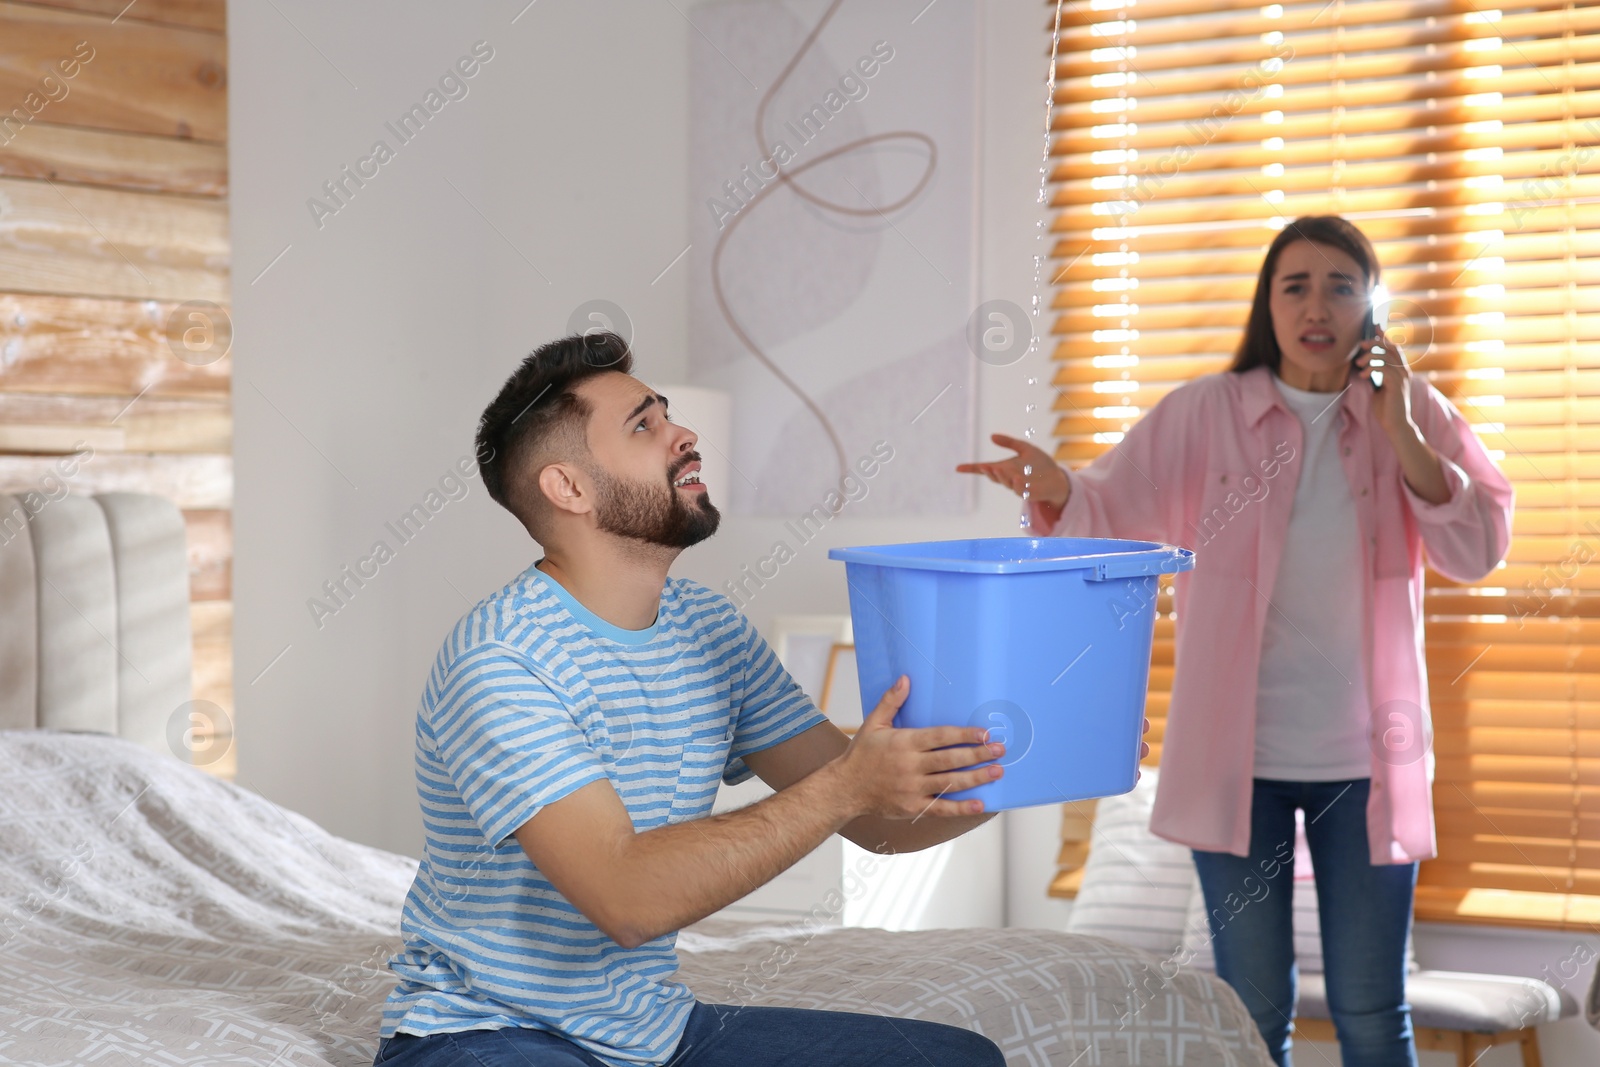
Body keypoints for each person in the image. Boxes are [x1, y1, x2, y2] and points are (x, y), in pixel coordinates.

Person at [958, 216, 1513, 1067]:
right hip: (1237, 762)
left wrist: (1399, 422)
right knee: (1252, 1011)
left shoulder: (1414, 409)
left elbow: (1475, 548)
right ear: (1269, 301)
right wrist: (1058, 484)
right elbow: (1115, 507)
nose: (1317, 305)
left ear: (1370, 304)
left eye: (1340, 284)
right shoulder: (1207, 412)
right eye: (1296, 285)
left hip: (1366, 761)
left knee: (1371, 1008)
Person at [373, 331, 1012, 1067]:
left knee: (961, 1061)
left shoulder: (709, 629)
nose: (684, 435)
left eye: (666, 415)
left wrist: (1035, 761)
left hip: (656, 1032)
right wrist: (846, 785)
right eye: (644, 424)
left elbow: (875, 819)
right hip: (485, 1035)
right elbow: (625, 898)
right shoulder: (500, 659)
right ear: (569, 487)